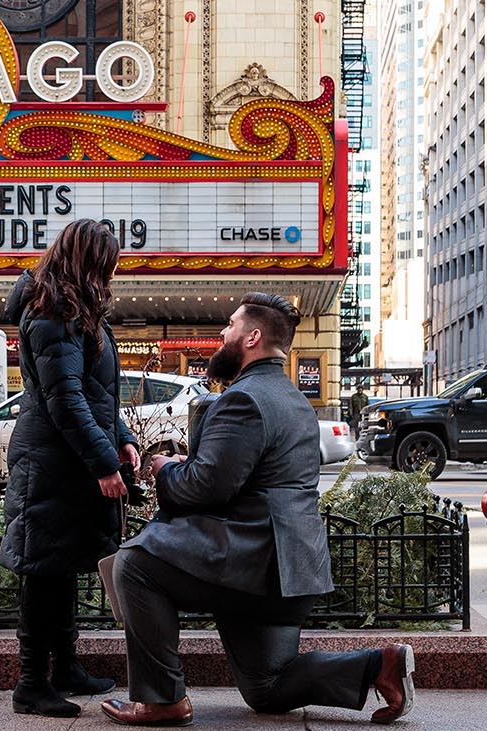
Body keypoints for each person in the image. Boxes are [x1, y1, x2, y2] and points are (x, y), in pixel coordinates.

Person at [101, 293, 415, 728]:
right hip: (291, 574)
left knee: (135, 563)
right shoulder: (294, 401)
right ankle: (378, 665)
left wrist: (167, 470)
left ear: (252, 336)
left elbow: (206, 486)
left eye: (230, 325)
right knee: (268, 689)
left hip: (253, 566)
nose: (222, 333)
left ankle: (161, 700)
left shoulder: (244, 400)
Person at [0, 219, 140, 718]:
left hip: (64, 461)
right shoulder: (52, 314)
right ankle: (31, 684)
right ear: (89, 263)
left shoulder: (74, 311)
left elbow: (97, 395)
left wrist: (121, 440)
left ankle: (66, 669)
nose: (113, 272)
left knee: (59, 569)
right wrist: (104, 462)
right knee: (43, 573)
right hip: (50, 462)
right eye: (108, 263)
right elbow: (65, 400)